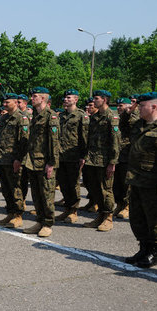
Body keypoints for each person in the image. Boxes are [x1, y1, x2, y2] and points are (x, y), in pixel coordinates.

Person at [124, 92, 157, 268]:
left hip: (152, 182)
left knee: (154, 218)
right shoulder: (139, 125)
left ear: (153, 107)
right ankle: (143, 248)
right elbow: (122, 128)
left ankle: (154, 251)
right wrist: (128, 111)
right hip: (136, 179)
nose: (138, 108)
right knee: (137, 217)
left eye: (142, 105)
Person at [22, 87, 60, 237]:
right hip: (33, 161)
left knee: (47, 194)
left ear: (43, 98)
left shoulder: (51, 116)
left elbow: (54, 142)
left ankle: (48, 223)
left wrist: (52, 163)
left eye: (35, 96)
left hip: (45, 162)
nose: (32, 98)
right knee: (36, 194)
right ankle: (39, 220)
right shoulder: (36, 116)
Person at [82, 90, 120, 232]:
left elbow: (115, 141)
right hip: (92, 159)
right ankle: (100, 215)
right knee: (95, 189)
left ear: (104, 100)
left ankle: (108, 217)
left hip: (105, 160)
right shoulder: (95, 116)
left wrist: (112, 162)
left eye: (96, 98)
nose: (94, 100)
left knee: (106, 190)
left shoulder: (112, 116)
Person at [0, 93, 29, 227]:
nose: (4, 104)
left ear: (15, 102)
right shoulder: (4, 118)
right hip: (3, 158)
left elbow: (24, 141)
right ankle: (10, 213)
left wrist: (18, 159)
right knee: (6, 188)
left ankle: (18, 215)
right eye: (3, 102)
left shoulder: (22, 118)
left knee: (16, 188)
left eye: (7, 102)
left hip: (14, 160)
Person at [55, 89, 88, 223]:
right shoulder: (61, 116)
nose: (65, 100)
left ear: (76, 99)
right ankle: (67, 209)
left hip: (74, 155)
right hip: (61, 155)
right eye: (65, 97)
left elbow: (84, 137)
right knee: (63, 184)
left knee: (73, 184)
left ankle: (73, 211)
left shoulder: (81, 116)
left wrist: (83, 155)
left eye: (69, 97)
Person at [113, 98, 139, 219]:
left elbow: (132, 124)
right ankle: (119, 204)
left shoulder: (135, 116)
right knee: (116, 183)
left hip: (127, 154)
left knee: (126, 183)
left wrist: (129, 113)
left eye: (121, 105)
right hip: (118, 154)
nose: (119, 108)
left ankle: (127, 206)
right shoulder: (121, 117)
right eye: (117, 106)